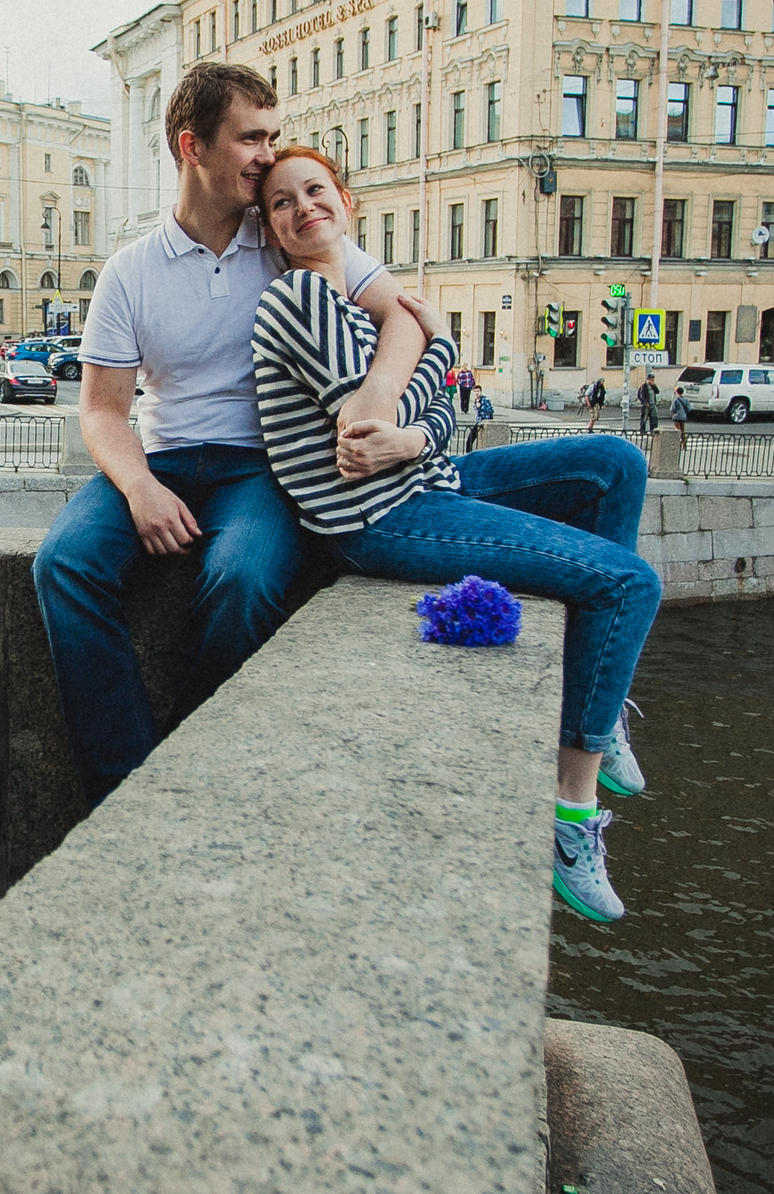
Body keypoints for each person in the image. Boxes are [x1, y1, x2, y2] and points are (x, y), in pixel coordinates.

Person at [250, 146, 662, 922]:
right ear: (271, 229)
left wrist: (420, 422)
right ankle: (570, 815)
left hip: (423, 478)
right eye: (281, 202)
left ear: (348, 200)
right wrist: (432, 360)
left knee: (614, 462)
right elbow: (370, 428)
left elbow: (428, 415)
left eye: (315, 190)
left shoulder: (361, 302)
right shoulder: (299, 297)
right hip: (380, 517)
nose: (303, 206)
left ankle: (598, 714)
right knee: (627, 582)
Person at [31, 64, 426, 806]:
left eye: (273, 136)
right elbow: (103, 411)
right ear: (193, 147)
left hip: (262, 468)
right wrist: (141, 486)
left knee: (243, 578)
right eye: (251, 138)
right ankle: (123, 787)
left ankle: (185, 764)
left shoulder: (287, 232)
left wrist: (376, 399)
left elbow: (404, 313)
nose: (268, 156)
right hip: (167, 462)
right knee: (63, 565)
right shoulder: (130, 272)